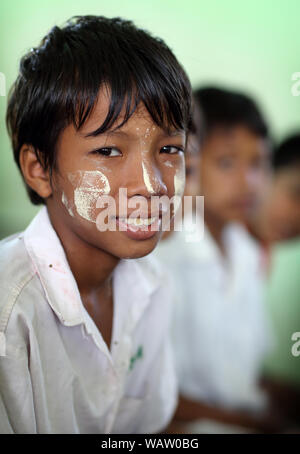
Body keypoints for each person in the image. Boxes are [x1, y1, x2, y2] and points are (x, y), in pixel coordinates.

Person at [0, 15, 192, 434]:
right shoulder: (9, 312)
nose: (152, 184)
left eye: (169, 148)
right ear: (39, 169)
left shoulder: (154, 286)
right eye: (108, 150)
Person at [155, 87, 281, 433]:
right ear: (187, 161)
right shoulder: (163, 255)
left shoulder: (248, 252)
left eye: (258, 164)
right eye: (226, 163)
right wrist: (255, 424)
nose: (248, 182)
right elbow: (155, 395)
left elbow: (247, 376)